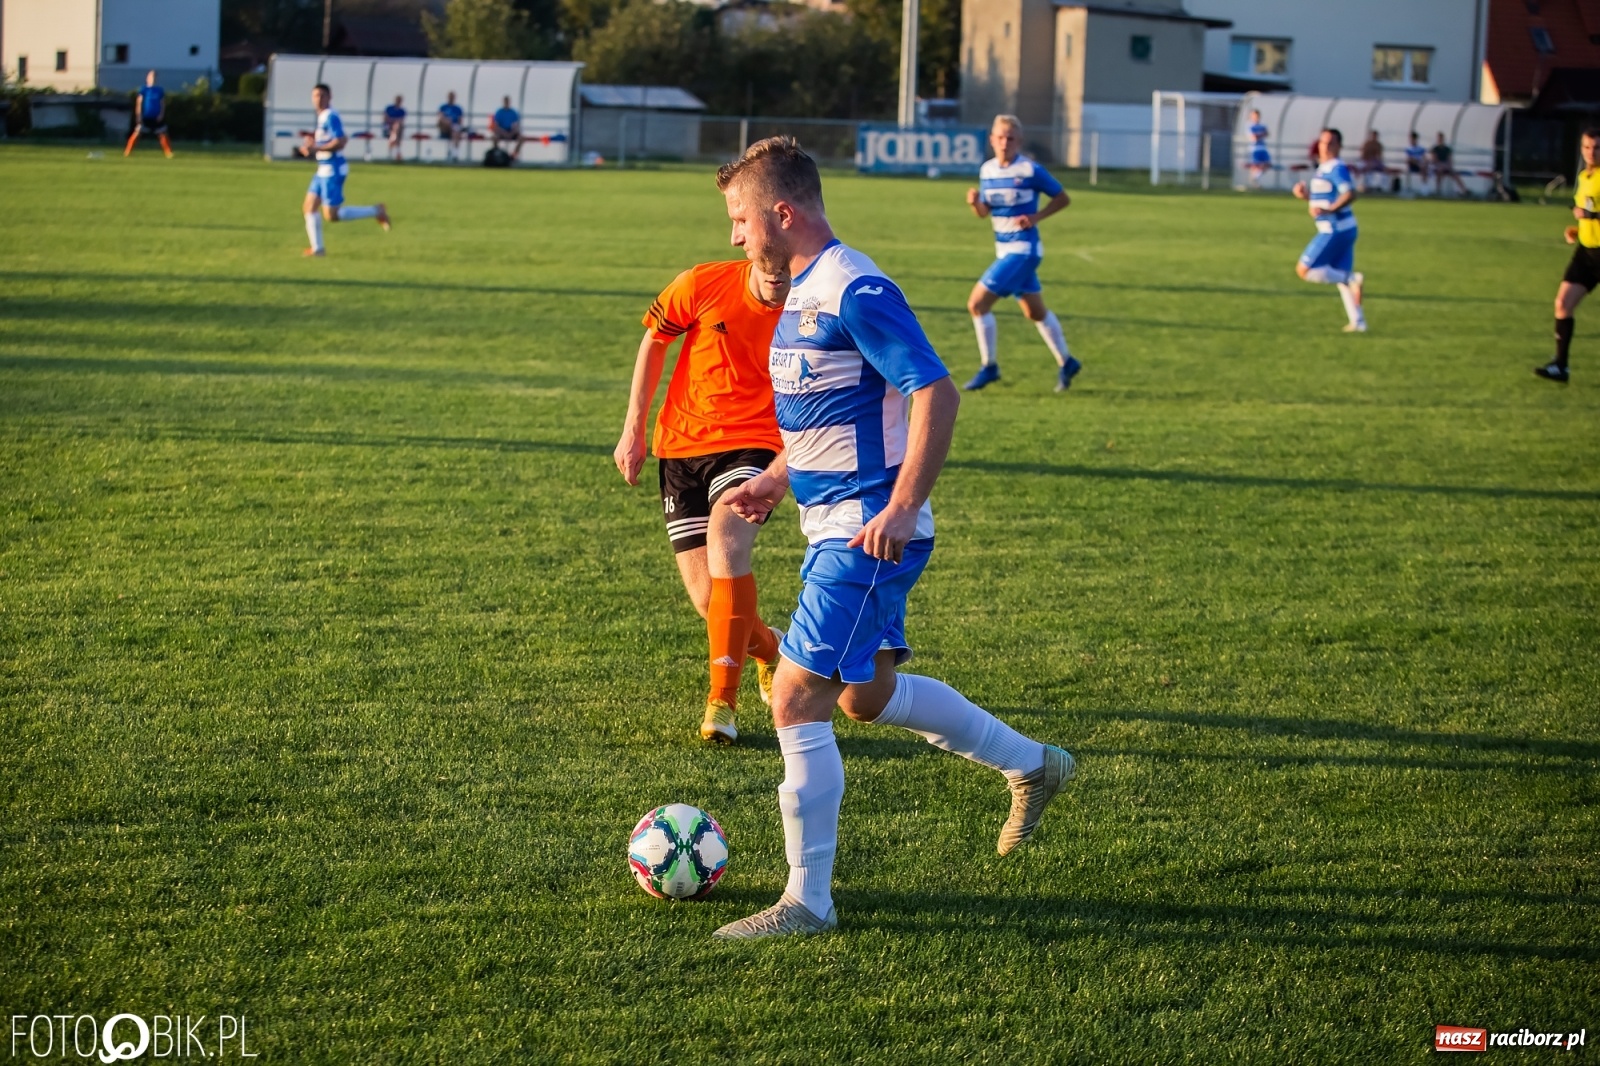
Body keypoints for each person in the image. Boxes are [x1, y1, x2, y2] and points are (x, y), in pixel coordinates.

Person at [712, 137, 1077, 940]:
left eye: (741, 218)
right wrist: (776, 477)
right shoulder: (801, 291)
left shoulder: (854, 286)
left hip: (867, 533)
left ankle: (807, 902)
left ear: (782, 211)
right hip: (833, 524)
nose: (736, 236)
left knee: (793, 697)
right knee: (863, 698)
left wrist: (904, 505)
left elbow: (935, 392)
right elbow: (832, 412)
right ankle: (1033, 763)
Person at [614, 260, 790, 742]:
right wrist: (634, 429)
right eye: (769, 271)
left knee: (727, 538)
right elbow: (655, 340)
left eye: (786, 270)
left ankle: (722, 704)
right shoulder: (701, 283)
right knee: (708, 599)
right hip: (680, 448)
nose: (778, 281)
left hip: (754, 444)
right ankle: (772, 648)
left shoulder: (815, 304)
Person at [962, 115, 1080, 393]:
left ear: (1019, 141)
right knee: (1034, 312)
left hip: (1023, 251)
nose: (1005, 143)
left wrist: (1037, 217)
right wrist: (974, 203)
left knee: (977, 304)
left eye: (1010, 138)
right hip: (1004, 249)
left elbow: (1063, 198)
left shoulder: (1029, 170)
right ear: (991, 140)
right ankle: (1067, 361)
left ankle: (989, 366)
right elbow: (984, 214)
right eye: (1000, 137)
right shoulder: (987, 170)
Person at [1538, 127, 1600, 382]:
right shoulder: (1585, 177)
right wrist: (1579, 228)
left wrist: (1590, 217)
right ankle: (1560, 366)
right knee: (1562, 304)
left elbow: (1591, 212)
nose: (1591, 152)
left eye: (1596, 147)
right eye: (1586, 147)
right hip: (1586, 252)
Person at [301, 83, 391, 257]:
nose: (318, 99)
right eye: (315, 96)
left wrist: (317, 149)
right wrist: (312, 146)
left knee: (332, 216)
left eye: (322, 95)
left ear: (329, 97)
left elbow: (341, 141)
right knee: (309, 207)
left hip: (333, 170)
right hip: (323, 169)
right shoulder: (322, 117)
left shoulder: (330, 116)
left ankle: (376, 211)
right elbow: (327, 142)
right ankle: (318, 249)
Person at [1292, 127, 1366, 333]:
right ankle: (1359, 323)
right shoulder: (1324, 168)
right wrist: (1306, 196)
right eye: (1323, 142)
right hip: (1343, 228)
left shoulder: (1336, 168)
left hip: (1335, 229)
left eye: (1330, 142)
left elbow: (1349, 193)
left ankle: (1352, 279)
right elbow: (1324, 199)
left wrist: (1330, 210)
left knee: (1304, 270)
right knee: (1340, 277)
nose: (1325, 146)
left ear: (1339, 146)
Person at [124, 70, 172, 158]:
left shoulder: (159, 90)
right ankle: (128, 152)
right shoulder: (143, 89)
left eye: (155, 77)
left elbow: (162, 103)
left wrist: (161, 114)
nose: (153, 79)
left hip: (156, 117)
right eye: (151, 77)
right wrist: (139, 115)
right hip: (145, 116)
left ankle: (168, 153)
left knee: (163, 134)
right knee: (137, 133)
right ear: (147, 78)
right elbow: (139, 103)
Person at [1431, 132, 1470, 197]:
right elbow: (1434, 160)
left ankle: (1464, 190)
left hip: (1446, 166)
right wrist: (1441, 165)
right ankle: (1438, 190)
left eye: (1441, 138)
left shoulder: (1447, 149)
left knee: (1455, 174)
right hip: (1438, 167)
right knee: (1439, 173)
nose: (1440, 140)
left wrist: (1448, 166)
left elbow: (1450, 160)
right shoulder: (1435, 149)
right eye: (1439, 138)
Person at [1246, 108, 1271, 188]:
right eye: (1254, 116)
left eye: (1257, 116)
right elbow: (1254, 138)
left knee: (1267, 164)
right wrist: (1261, 134)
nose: (1256, 117)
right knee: (1256, 166)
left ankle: (1255, 178)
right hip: (1255, 149)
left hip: (1263, 148)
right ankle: (1254, 183)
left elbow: (1267, 134)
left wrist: (1259, 135)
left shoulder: (1263, 125)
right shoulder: (1250, 126)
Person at [437, 91, 465, 162]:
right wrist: (448, 122)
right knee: (450, 124)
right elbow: (440, 118)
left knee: (456, 132)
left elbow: (460, 121)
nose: (451, 98)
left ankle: (455, 154)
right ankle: (453, 152)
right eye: (450, 97)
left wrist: (454, 125)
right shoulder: (443, 107)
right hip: (444, 129)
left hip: (455, 129)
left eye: (452, 97)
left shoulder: (458, 108)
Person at [382, 95, 406, 162]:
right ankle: (397, 153)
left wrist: (394, 121)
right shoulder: (389, 108)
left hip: (397, 130)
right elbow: (385, 118)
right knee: (396, 128)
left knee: (397, 127)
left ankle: (391, 154)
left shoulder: (402, 111)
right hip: (387, 128)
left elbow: (401, 120)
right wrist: (393, 121)